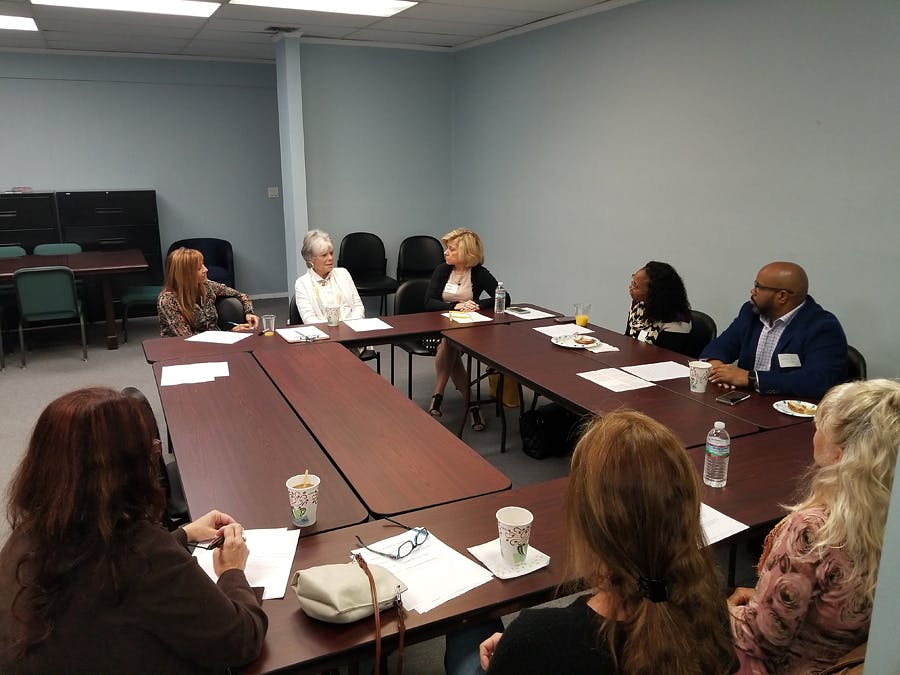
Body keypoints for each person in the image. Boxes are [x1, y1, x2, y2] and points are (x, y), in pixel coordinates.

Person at [0, 387, 267, 673]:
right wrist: (232, 572)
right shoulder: (143, 555)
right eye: (151, 449)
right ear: (130, 468)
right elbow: (239, 641)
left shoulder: (24, 538)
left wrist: (183, 535)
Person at [477, 411, 737, 675]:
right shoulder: (711, 614)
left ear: (588, 527)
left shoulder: (535, 641)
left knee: (469, 633)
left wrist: (514, 653)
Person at [728, 379, 900, 674]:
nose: (814, 433)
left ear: (841, 453)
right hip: (847, 658)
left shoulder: (814, 530)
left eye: (820, 426)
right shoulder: (888, 520)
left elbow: (758, 639)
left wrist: (715, 610)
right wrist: (767, 597)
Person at [700, 261, 847, 399]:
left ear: (782, 296)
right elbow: (720, 346)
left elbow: (818, 381)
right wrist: (716, 367)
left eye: (758, 286)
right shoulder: (750, 312)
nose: (752, 291)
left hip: (790, 410)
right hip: (747, 402)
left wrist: (752, 378)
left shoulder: (822, 327)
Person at [424, 227, 503, 430]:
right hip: (436, 329)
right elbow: (429, 302)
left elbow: (504, 297)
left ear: (467, 253)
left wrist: (478, 304)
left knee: (450, 344)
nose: (445, 252)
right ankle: (472, 405)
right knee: (449, 343)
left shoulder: (478, 273)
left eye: (451, 249)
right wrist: (454, 306)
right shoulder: (442, 270)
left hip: (468, 329)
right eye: (446, 248)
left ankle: (437, 396)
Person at [158, 247, 258, 337]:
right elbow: (186, 338)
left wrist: (249, 313)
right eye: (199, 268)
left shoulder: (207, 285)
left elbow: (241, 295)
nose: (205, 269)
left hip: (218, 342)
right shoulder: (168, 300)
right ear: (185, 274)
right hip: (184, 351)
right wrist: (229, 334)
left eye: (203, 264)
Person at [294, 229, 365, 324]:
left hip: (352, 330)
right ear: (311, 260)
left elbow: (358, 307)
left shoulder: (343, 273)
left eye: (331, 253)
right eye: (324, 255)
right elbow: (309, 319)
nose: (330, 258)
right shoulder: (302, 283)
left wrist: (350, 327)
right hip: (324, 335)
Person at [625, 261, 692, 353]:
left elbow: (665, 357)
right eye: (633, 282)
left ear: (654, 293)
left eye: (635, 286)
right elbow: (627, 339)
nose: (630, 287)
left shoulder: (678, 320)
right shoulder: (638, 306)